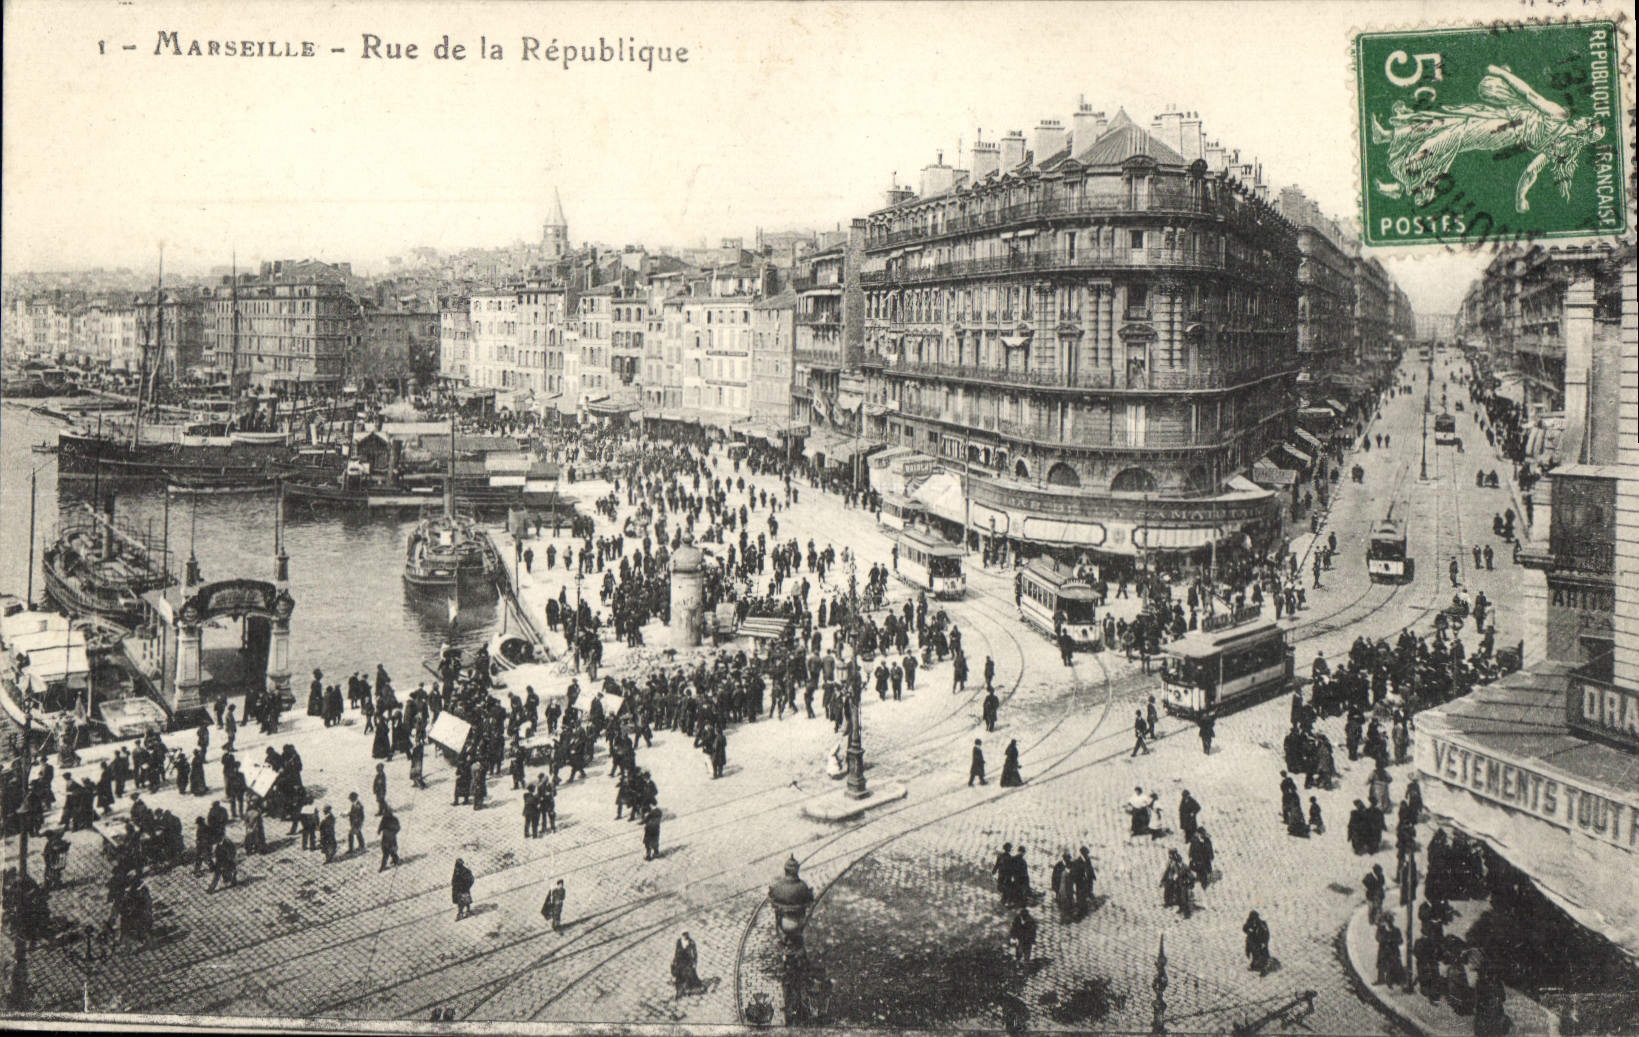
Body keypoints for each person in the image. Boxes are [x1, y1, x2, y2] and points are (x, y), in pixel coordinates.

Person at [671, 931, 703, 998]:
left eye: (685, 935)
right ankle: (679, 992)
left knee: (689, 977)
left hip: (688, 962)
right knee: (679, 978)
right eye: (683, 935)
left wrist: (694, 962)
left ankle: (688, 989)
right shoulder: (679, 941)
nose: (684, 936)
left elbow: (694, 954)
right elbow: (676, 952)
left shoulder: (691, 942)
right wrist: (674, 961)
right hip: (680, 962)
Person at [1243, 911, 1271, 975]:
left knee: (1263, 956)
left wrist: (1264, 942)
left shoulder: (1261, 924)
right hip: (1254, 944)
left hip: (1260, 943)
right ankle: (1257, 966)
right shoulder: (1251, 927)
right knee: (1256, 956)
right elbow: (1245, 929)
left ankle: (1264, 967)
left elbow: (1266, 934)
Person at [378, 806, 401, 871]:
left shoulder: (394, 819)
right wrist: (379, 830)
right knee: (386, 850)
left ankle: (383, 866)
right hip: (385, 837)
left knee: (389, 851)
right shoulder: (384, 818)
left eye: (386, 813)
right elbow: (381, 825)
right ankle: (395, 860)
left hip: (391, 838)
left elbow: (398, 828)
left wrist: (392, 833)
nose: (385, 814)